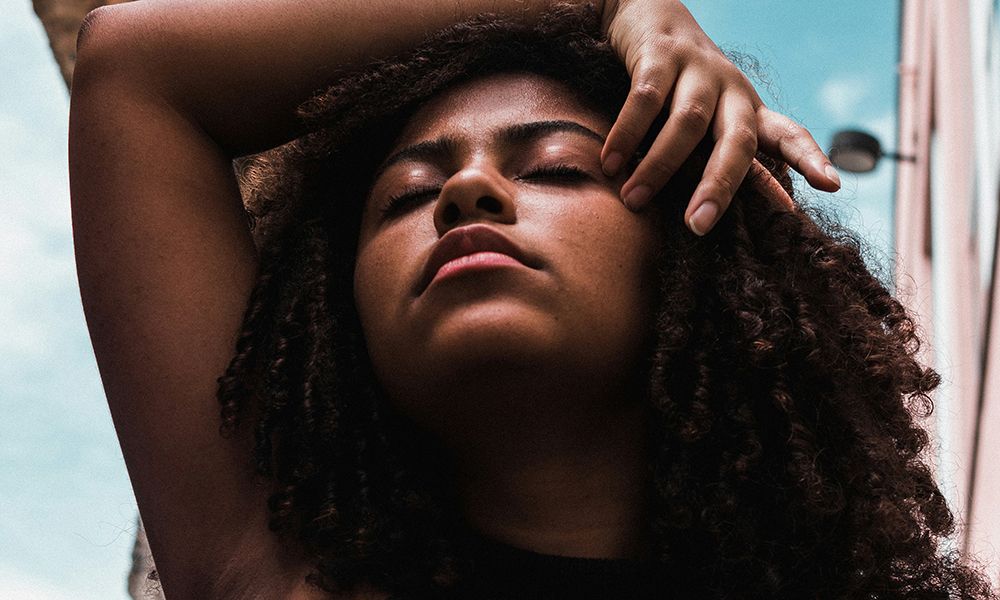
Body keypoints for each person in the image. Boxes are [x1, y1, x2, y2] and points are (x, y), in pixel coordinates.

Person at [69, 1, 995, 599]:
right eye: (405, 196)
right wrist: (605, 2)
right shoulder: (279, 577)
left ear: (695, 258)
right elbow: (133, 65)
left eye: (554, 168)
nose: (465, 192)